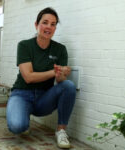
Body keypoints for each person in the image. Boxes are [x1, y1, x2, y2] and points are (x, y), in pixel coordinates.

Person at [6, 7, 76, 149]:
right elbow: (28, 77)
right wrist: (53, 72)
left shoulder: (60, 49)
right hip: (22, 94)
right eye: (45, 22)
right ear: (36, 25)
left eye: (53, 24)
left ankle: (61, 131)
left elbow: (60, 82)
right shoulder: (24, 45)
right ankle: (22, 119)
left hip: (45, 98)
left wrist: (62, 74)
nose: (49, 27)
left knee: (68, 86)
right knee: (17, 126)